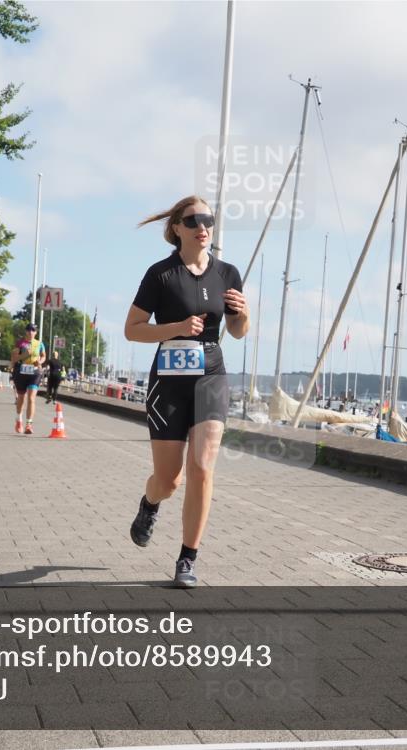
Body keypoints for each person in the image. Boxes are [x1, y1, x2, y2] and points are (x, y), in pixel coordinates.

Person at [123, 195, 248, 588]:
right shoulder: (160, 274)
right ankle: (150, 503)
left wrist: (244, 314)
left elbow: (237, 331)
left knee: (202, 467)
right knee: (169, 480)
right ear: (177, 227)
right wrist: (175, 328)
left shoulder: (227, 273)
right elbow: (132, 330)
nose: (202, 227)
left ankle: (187, 559)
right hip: (169, 381)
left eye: (208, 219)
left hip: (211, 375)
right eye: (193, 221)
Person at [10, 323, 46, 433]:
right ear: (26, 331)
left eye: (33, 330)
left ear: (36, 332)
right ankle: (19, 419)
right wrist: (24, 355)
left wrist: (40, 362)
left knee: (31, 398)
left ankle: (29, 424)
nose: (31, 332)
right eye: (29, 330)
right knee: (21, 398)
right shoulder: (20, 343)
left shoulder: (39, 344)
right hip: (21, 372)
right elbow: (14, 358)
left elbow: (43, 356)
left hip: (34, 372)